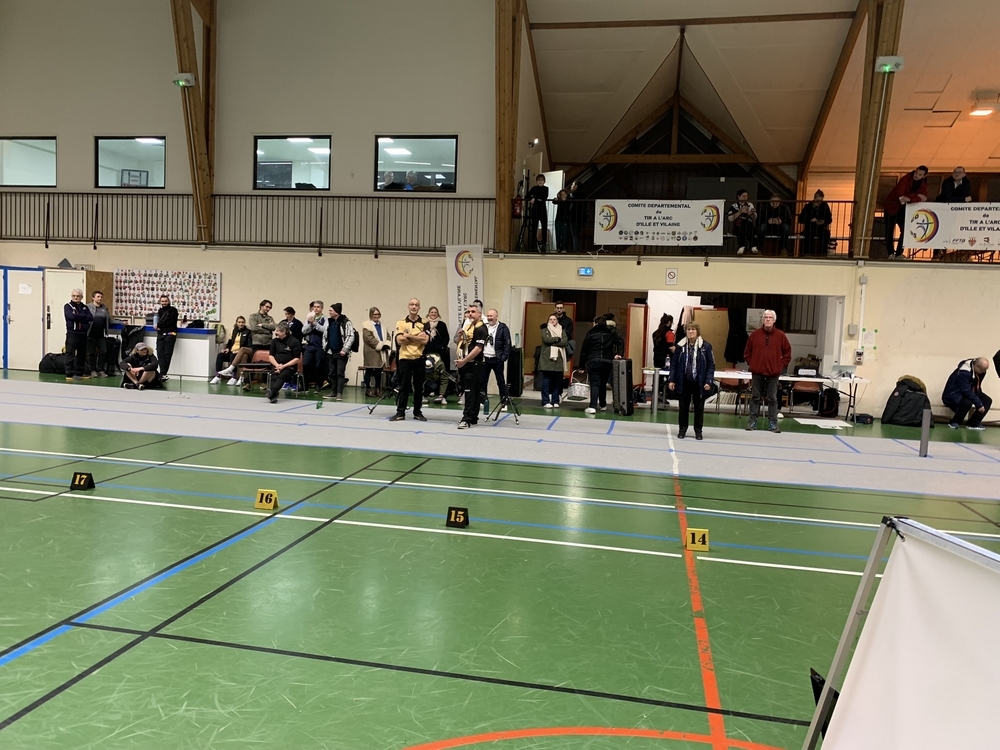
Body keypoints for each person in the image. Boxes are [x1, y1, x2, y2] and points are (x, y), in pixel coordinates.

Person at [744, 309, 791, 433]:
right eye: (766, 317)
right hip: (757, 373)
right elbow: (747, 352)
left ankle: (773, 423)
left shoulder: (781, 335)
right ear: (762, 320)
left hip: (773, 374)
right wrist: (752, 364)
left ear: (774, 320)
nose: (768, 319)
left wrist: (779, 366)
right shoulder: (755, 335)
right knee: (755, 397)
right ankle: (752, 422)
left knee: (772, 399)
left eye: (770, 317)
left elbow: (787, 354)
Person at [668, 322, 715, 440]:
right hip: (683, 382)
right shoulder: (680, 346)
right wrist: (671, 379)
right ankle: (682, 430)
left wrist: (708, 381)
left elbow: (711, 366)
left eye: (693, 329)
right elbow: (674, 364)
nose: (690, 332)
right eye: (688, 329)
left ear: (697, 332)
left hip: (699, 383)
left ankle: (698, 431)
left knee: (699, 409)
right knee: (683, 408)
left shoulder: (706, 347)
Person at [391, 298, 429, 422]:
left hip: (419, 358)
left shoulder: (425, 322)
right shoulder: (401, 322)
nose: (414, 307)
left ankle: (417, 412)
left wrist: (408, 336)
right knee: (404, 386)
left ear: (419, 307)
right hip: (404, 358)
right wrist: (418, 337)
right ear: (408, 306)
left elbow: (425, 341)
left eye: (416, 305)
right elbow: (399, 340)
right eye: (412, 304)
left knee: (418, 387)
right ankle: (400, 412)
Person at [578, 315, 623, 414]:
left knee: (595, 383)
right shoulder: (610, 333)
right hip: (607, 361)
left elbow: (584, 351)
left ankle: (592, 406)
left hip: (593, 361)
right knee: (603, 383)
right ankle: (603, 404)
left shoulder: (590, 334)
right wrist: (619, 354)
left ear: (596, 323)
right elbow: (620, 341)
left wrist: (581, 366)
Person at [883, 166, 929, 259]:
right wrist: (917, 196)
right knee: (889, 231)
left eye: (920, 174)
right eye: (916, 173)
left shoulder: (923, 184)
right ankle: (890, 253)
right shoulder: (905, 179)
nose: (917, 175)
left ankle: (899, 253)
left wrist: (911, 198)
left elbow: (923, 197)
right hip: (891, 207)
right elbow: (902, 197)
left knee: (906, 231)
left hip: (904, 209)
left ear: (924, 176)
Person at [455, 304, 488, 429]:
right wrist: (460, 336)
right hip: (466, 364)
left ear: (479, 314)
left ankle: (467, 419)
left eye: (473, 311)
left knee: (469, 391)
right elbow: (463, 343)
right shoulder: (469, 326)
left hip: (474, 364)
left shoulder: (481, 329)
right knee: (472, 391)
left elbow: (478, 348)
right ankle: (473, 417)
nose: (470, 314)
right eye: (468, 311)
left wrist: (464, 361)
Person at [934, 167, 974, 259]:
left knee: (949, 230)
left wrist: (962, 199)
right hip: (942, 210)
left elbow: (967, 196)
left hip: (954, 211)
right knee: (940, 229)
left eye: (959, 172)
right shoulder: (947, 182)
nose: (957, 174)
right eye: (955, 172)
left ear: (964, 174)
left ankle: (943, 251)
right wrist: (963, 199)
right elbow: (947, 197)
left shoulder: (966, 183)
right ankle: (937, 252)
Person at [942, 357, 991, 430]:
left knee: (987, 400)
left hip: (968, 391)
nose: (984, 372)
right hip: (953, 394)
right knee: (967, 402)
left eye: (985, 370)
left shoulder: (980, 371)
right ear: (976, 366)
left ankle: (973, 423)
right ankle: (954, 422)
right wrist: (979, 404)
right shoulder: (964, 372)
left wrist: (979, 401)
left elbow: (976, 385)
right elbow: (966, 390)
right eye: (982, 370)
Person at [324, 303, 356, 401]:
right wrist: (325, 347)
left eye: (331, 310)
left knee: (340, 373)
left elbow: (350, 336)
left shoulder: (346, 322)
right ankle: (333, 391)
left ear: (336, 312)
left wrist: (345, 349)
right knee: (332, 373)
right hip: (331, 351)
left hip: (341, 352)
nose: (329, 312)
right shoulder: (329, 322)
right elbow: (325, 336)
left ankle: (339, 393)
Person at [265, 321, 302, 404]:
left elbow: (296, 359)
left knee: (282, 375)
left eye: (277, 331)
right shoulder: (274, 341)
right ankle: (273, 395)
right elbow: (271, 356)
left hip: (289, 366)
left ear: (284, 332)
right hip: (276, 364)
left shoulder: (294, 342)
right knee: (274, 375)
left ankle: (272, 392)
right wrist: (277, 365)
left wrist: (283, 366)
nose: (276, 333)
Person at [481, 309, 511, 404]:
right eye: (488, 316)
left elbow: (507, 343)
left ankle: (504, 401)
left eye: (491, 316)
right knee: (483, 381)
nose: (489, 318)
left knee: (500, 381)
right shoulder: (484, 327)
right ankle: (483, 400)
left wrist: (504, 356)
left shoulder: (503, 328)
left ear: (496, 317)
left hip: (497, 358)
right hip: (485, 358)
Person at [211, 316, 252, 385]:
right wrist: (227, 348)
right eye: (239, 322)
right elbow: (230, 342)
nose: (241, 324)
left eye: (242, 322)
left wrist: (238, 351)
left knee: (233, 356)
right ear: (236, 323)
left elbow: (248, 345)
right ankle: (218, 375)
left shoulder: (248, 332)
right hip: (232, 350)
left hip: (239, 352)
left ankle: (234, 376)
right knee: (220, 355)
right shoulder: (234, 331)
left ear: (244, 323)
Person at [538, 313, 568, 407]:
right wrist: (558, 339)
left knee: (557, 381)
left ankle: (555, 401)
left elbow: (565, 342)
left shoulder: (562, 330)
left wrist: (553, 342)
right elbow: (546, 339)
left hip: (558, 359)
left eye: (554, 319)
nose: (552, 321)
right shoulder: (545, 330)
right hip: (547, 359)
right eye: (550, 319)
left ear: (557, 321)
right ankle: (545, 401)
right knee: (546, 380)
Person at [361, 307, 392, 397]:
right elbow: (369, 338)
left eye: (378, 314)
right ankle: (368, 389)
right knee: (369, 370)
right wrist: (380, 346)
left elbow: (388, 336)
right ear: (371, 315)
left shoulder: (382, 326)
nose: (376, 316)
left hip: (381, 352)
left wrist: (386, 344)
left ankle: (377, 389)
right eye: (374, 314)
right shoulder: (367, 326)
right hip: (371, 351)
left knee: (379, 371)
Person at [64, 289, 93, 381]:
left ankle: (79, 373)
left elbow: (90, 317)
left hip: (83, 334)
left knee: (82, 354)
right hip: (72, 333)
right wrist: (83, 316)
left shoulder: (84, 307)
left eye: (78, 296)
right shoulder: (68, 306)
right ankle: (69, 374)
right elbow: (71, 316)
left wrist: (78, 317)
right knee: (70, 353)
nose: (75, 297)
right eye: (74, 296)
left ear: (81, 297)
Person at [301, 300, 328, 393]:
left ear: (322, 308)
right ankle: (304, 386)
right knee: (306, 364)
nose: (316, 308)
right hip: (309, 345)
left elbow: (325, 330)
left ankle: (318, 385)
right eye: (314, 307)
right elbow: (303, 331)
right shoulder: (309, 318)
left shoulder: (325, 319)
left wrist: (315, 323)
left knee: (318, 366)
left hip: (320, 346)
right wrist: (310, 323)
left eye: (318, 307)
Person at [798, 190, 833, 257]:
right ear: (814, 199)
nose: (819, 203)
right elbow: (800, 219)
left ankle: (823, 253)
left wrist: (823, 221)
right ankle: (807, 253)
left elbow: (829, 219)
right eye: (818, 201)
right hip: (810, 227)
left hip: (821, 227)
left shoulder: (825, 206)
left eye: (821, 201)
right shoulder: (808, 206)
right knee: (809, 234)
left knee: (826, 234)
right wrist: (810, 220)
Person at [86, 290, 110, 377]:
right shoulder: (88, 307)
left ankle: (100, 369)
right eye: (98, 297)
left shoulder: (104, 308)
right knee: (91, 353)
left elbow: (110, 320)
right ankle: (92, 370)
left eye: (101, 297)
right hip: (90, 333)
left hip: (101, 334)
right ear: (93, 298)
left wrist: (122, 322)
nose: (100, 298)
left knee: (103, 351)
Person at [154, 294, 179, 379]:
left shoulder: (173, 310)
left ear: (169, 301)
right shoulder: (160, 311)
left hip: (170, 334)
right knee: (160, 354)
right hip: (160, 334)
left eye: (166, 301)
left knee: (167, 354)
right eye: (162, 301)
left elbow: (170, 321)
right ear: (160, 302)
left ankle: (163, 373)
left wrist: (159, 325)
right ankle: (162, 374)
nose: (164, 303)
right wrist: (158, 325)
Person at [728, 189, 758, 255]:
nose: (745, 198)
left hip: (749, 226)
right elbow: (730, 218)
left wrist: (751, 213)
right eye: (743, 196)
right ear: (738, 196)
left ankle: (742, 246)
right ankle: (753, 246)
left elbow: (755, 216)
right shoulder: (733, 206)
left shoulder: (750, 205)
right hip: (737, 226)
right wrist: (740, 212)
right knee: (744, 226)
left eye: (746, 196)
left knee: (747, 226)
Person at [526, 174, 549, 252]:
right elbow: (527, 196)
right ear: (536, 181)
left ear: (544, 181)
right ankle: (533, 244)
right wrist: (533, 198)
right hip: (535, 210)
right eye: (539, 180)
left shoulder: (546, 188)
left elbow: (544, 196)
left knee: (544, 227)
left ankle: (543, 244)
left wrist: (534, 197)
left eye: (542, 180)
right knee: (534, 227)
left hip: (542, 210)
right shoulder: (534, 188)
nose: (540, 181)